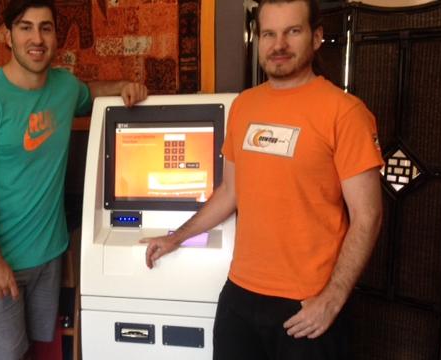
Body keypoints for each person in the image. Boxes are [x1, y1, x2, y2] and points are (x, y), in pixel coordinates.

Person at [142, 0, 383, 359]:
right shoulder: (245, 106)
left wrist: (332, 300)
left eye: (293, 31)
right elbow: (230, 192)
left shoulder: (346, 114)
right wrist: (177, 237)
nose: (279, 44)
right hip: (240, 297)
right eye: (269, 33)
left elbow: (368, 216)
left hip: (305, 305)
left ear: (316, 37)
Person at [0, 0, 147, 358]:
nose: (36, 38)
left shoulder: (65, 88)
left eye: (46, 27)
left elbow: (93, 91)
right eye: (25, 27)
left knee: (39, 349)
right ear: (7, 36)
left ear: (57, 37)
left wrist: (124, 84)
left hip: (48, 255)